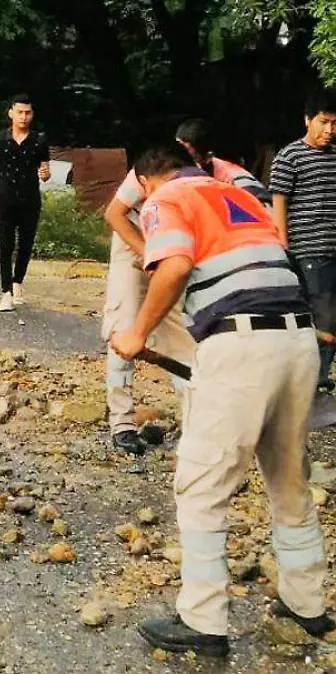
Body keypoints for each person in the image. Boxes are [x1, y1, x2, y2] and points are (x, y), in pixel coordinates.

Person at [109, 144, 331, 658]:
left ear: (145, 183)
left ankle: (202, 619)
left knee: (202, 483)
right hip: (297, 339)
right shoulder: (241, 196)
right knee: (289, 479)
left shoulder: (167, 198)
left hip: (240, 345)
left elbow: (175, 264)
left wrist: (136, 333)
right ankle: (307, 604)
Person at [100, 118, 271, 454]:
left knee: (180, 333)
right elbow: (114, 214)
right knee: (124, 326)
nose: (176, 161)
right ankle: (121, 421)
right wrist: (149, 254)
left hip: (182, 247)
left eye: (186, 154)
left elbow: (259, 217)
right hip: (135, 239)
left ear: (206, 157)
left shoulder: (229, 177)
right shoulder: (154, 167)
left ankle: (194, 418)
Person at [270, 89, 336, 392]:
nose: (329, 130)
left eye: (335, 123)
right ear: (308, 120)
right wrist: (282, 244)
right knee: (322, 315)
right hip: (308, 249)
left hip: (333, 249)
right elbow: (279, 202)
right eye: (324, 122)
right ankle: (316, 379)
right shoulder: (290, 156)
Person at [0, 94, 52, 312]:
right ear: (11, 113)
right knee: (5, 245)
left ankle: (18, 281)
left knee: (25, 244)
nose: (24, 117)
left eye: (28, 113)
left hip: (30, 198)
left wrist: (45, 173)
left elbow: (44, 172)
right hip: (5, 198)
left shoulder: (39, 141)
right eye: (20, 112)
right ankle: (5, 291)